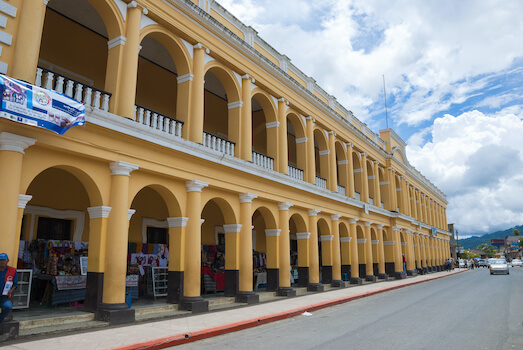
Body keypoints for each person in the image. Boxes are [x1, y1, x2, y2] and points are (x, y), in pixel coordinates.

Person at [0, 253, 17, 323]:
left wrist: (10, 291)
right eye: (0, 260)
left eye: (4, 260)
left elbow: (15, 284)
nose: (2, 262)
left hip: (4, 296)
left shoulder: (12, 271)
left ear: (7, 261)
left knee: (8, 307)